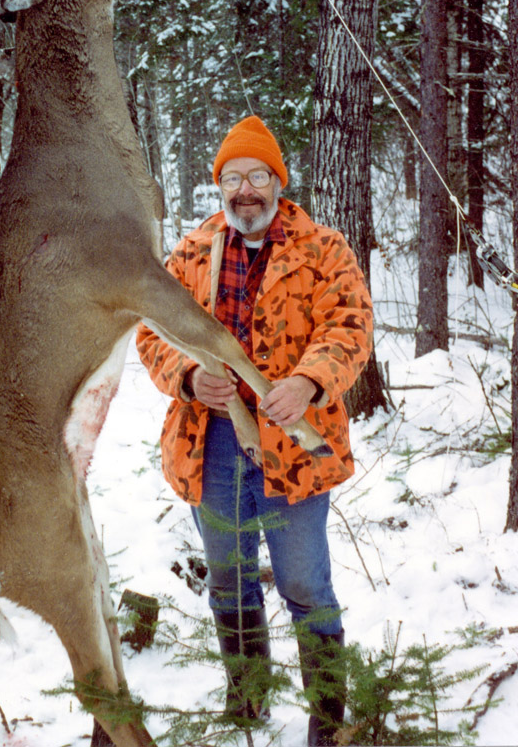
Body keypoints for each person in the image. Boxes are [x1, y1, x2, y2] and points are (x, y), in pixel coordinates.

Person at [136, 115, 374, 746]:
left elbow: (349, 327)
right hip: (209, 442)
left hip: (295, 447)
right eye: (232, 177)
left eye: (257, 176)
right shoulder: (190, 253)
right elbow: (149, 331)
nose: (245, 189)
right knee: (227, 576)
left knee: (302, 580)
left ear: (278, 180)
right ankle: (248, 703)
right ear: (220, 186)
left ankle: (326, 715)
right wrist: (188, 378)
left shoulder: (324, 249)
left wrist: (309, 382)